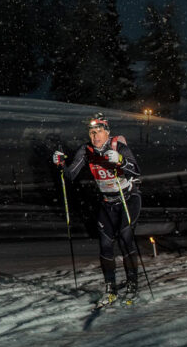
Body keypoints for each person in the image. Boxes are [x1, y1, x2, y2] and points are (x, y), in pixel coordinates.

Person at [52, 114, 142, 307]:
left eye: (99, 131)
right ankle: (110, 289)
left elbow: (136, 170)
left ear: (107, 132)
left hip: (128, 199)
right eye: (92, 132)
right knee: (105, 245)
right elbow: (70, 175)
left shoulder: (118, 146)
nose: (95, 136)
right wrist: (60, 165)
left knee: (126, 240)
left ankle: (133, 285)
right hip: (107, 203)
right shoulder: (86, 150)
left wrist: (120, 160)